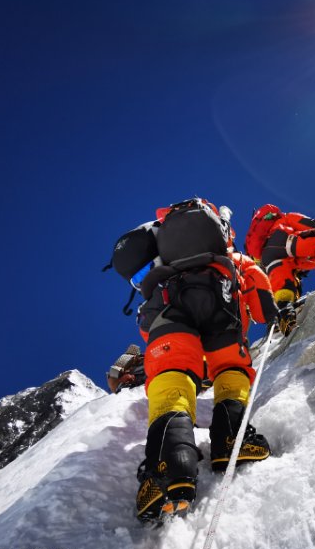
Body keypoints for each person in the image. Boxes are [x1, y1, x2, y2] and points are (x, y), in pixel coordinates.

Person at [104, 198, 279, 523]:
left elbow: (149, 330)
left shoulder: (161, 260)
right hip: (220, 301)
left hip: (166, 302)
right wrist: (270, 312)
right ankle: (231, 439)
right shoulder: (231, 257)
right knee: (231, 369)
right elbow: (257, 286)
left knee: (171, 373)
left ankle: (167, 465)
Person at [244, 204, 315, 335]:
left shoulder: (260, 245)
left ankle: (285, 313)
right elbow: (306, 223)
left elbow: (303, 261)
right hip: (282, 240)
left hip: (269, 259)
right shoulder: (284, 218)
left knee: (284, 285)